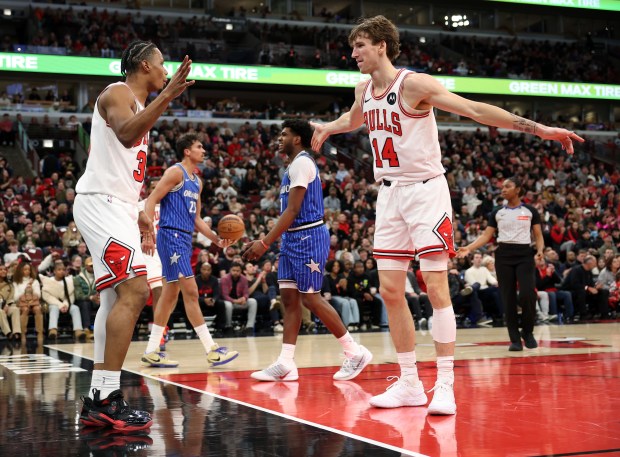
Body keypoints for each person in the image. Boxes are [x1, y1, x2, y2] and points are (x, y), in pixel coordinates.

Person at [310, 15, 582, 414]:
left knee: (435, 288)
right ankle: (409, 384)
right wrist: (328, 127)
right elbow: (355, 118)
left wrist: (540, 130)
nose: (353, 54)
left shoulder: (414, 84)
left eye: (360, 46)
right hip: (389, 196)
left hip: (425, 193)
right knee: (390, 290)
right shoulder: (363, 88)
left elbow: (473, 109)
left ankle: (446, 384)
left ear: (382, 45)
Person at [73, 39, 194, 430]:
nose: (165, 71)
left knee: (112, 302)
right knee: (137, 291)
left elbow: (125, 165)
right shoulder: (117, 93)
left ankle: (97, 398)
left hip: (119, 205)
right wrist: (170, 95)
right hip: (99, 202)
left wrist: (141, 210)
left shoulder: (139, 104)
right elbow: (125, 134)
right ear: (143, 65)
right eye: (161, 65)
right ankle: (108, 395)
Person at [243, 119, 372, 382]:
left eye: (285, 134)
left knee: (311, 297)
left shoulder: (302, 162)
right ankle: (286, 363)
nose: (280, 138)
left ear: (298, 139)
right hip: (292, 239)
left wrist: (264, 242)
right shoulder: (292, 166)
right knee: (289, 299)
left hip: (308, 236)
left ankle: (354, 351)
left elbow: (293, 210)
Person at [141, 133, 238, 368]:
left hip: (184, 238)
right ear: (187, 151)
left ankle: (152, 350)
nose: (204, 150)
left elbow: (196, 219)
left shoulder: (197, 181)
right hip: (170, 234)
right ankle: (212, 349)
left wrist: (217, 239)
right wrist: (147, 233)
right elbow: (151, 200)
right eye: (199, 146)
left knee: (170, 295)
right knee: (191, 292)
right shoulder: (176, 172)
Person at [458, 178, 545, 351]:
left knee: (528, 294)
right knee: (508, 298)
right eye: (502, 187)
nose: (503, 189)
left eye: (508, 186)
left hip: (525, 255)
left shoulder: (530, 210)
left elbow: (538, 234)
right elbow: (486, 236)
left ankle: (527, 332)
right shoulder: (497, 212)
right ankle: (514, 339)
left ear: (518, 189)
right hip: (504, 255)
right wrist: (468, 247)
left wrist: (540, 250)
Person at [138, 178, 166, 349]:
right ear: (148, 189)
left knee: (168, 296)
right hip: (150, 251)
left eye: (159, 187)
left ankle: (160, 328)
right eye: (153, 187)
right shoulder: (141, 205)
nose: (156, 189)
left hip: (168, 250)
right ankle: (159, 334)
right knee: (158, 291)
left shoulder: (170, 205)